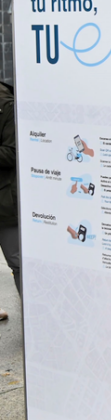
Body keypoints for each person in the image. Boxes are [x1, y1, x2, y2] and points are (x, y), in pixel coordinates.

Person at [0, 82, 20, 322]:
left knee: (16, 261)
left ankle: (33, 318)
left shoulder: (6, 104)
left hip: (5, 199)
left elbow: (14, 152)